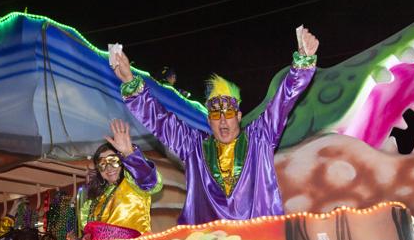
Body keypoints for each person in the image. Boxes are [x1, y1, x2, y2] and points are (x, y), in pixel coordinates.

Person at [114, 27, 319, 225]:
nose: (222, 120)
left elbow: (283, 101)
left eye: (228, 113)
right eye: (215, 115)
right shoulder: (194, 146)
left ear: (238, 116)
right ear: (208, 120)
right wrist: (130, 81)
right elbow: (160, 119)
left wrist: (302, 64)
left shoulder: (260, 138)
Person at [78, 119, 162, 240]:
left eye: (113, 161)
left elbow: (150, 182)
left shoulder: (133, 183)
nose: (109, 167)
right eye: (102, 164)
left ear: (123, 163)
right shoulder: (92, 203)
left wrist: (129, 153)